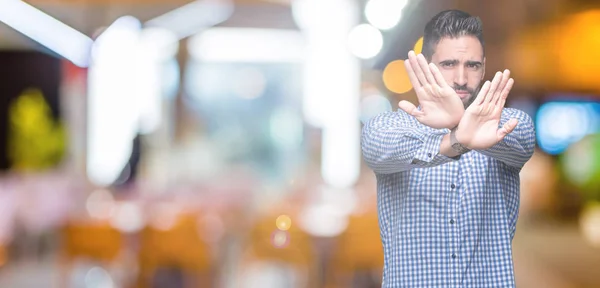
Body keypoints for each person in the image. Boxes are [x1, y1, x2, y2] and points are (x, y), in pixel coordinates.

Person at [361, 9, 535, 287]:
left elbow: (522, 143)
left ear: (484, 67)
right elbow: (375, 147)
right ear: (427, 65)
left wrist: (464, 124)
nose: (462, 78)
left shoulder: (510, 124)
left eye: (473, 65)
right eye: (449, 64)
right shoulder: (391, 127)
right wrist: (456, 139)